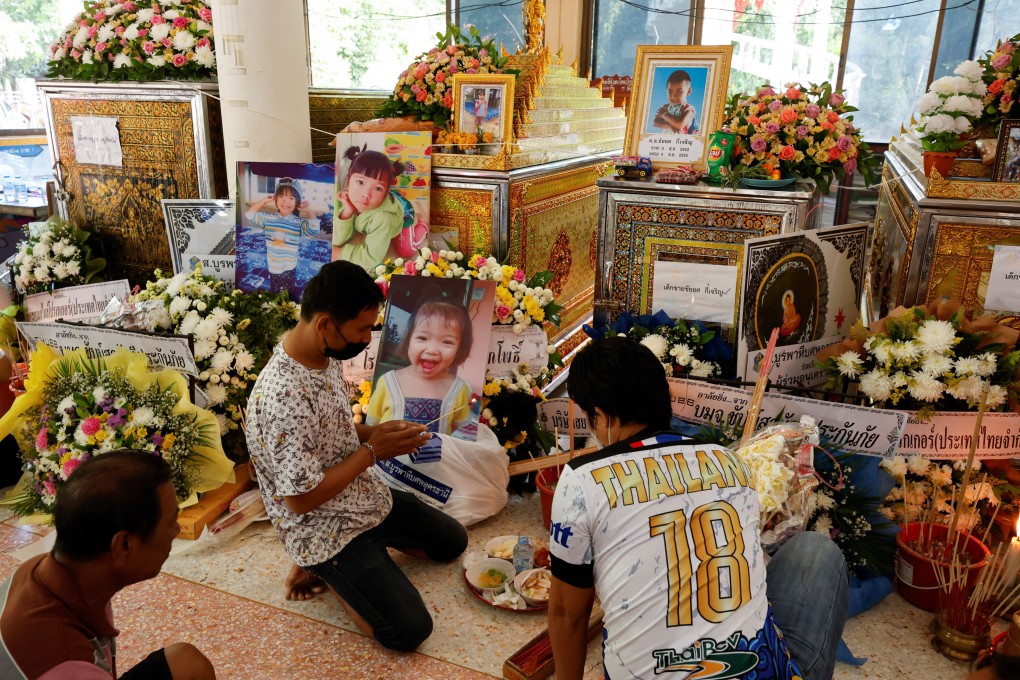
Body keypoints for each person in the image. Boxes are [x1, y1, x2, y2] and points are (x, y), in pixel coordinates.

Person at [548, 337, 849, 680]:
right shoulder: (732, 462)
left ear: (602, 416)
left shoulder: (582, 479)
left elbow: (567, 615)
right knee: (816, 550)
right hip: (757, 672)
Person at [245, 260, 468, 652]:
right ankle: (325, 567)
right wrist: (373, 450)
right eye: (362, 329)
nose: (368, 337)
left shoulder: (323, 357)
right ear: (326, 325)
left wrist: (382, 434)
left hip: (361, 495)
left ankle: (365, 560)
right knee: (408, 631)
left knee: (453, 542)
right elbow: (300, 500)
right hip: (321, 526)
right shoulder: (283, 395)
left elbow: (334, 431)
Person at [0, 450, 215, 679]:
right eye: (170, 521)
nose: (176, 530)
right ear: (123, 545)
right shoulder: (62, 661)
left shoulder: (48, 569)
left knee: (186, 663)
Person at [366, 298, 474, 436]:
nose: (432, 349)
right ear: (408, 340)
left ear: (459, 349)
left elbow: (458, 427)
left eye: (447, 342)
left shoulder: (459, 388)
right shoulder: (387, 382)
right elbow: (371, 426)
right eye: (423, 338)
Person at [332, 145, 406, 271]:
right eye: (360, 182)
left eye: (378, 188)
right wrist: (347, 212)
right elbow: (337, 239)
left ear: (385, 193)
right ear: (347, 182)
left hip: (405, 212)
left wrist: (339, 254)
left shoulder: (383, 219)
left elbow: (371, 258)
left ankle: (421, 227)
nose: (366, 194)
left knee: (406, 250)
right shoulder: (350, 198)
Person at [245, 177, 320, 298]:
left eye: (291, 198)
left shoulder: (298, 222)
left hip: (290, 264)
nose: (286, 202)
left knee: (288, 291)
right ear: (276, 198)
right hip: (273, 263)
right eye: (282, 197)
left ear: (297, 202)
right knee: (275, 289)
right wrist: (263, 201)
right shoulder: (269, 218)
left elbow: (313, 230)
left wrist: (309, 211)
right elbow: (250, 214)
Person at [653, 69, 698, 134]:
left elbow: (680, 124)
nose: (673, 96)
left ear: (688, 91)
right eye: (670, 92)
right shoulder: (666, 106)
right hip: (665, 140)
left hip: (681, 141)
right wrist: (671, 126)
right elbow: (655, 123)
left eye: (679, 92)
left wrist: (664, 114)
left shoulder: (688, 109)